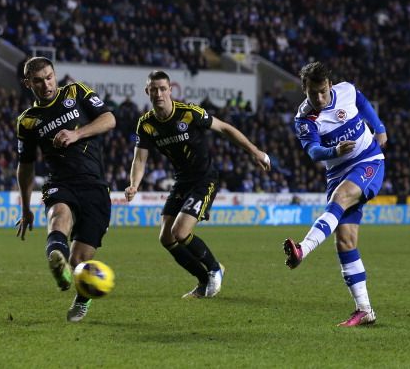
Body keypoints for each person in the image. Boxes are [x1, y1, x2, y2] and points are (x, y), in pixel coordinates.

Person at [125, 70, 271, 298]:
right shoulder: (146, 124)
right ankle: (203, 281)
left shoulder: (189, 113)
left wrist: (254, 152)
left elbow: (224, 128)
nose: (159, 93)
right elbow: (140, 158)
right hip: (181, 181)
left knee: (180, 232)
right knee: (166, 238)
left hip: (204, 178)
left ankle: (215, 269)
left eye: (163, 88)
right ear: (147, 92)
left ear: (170, 90)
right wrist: (134, 184)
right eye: (154, 89)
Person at [283, 62, 387, 327]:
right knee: (345, 242)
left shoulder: (347, 91)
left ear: (329, 84)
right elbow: (313, 152)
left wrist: (379, 126)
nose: (317, 98)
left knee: (339, 200)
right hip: (337, 172)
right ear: (304, 90)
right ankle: (364, 310)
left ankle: (303, 249)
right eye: (311, 94)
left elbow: (363, 103)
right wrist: (334, 151)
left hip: (368, 160)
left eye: (321, 91)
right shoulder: (304, 118)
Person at [15, 57, 116, 322]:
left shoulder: (77, 92)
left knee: (80, 260)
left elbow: (109, 119)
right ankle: (56, 261)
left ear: (54, 74)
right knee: (58, 215)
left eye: (49, 77)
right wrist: (26, 209)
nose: (46, 84)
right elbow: (25, 168)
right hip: (61, 182)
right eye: (38, 80)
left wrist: (76, 134)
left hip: (94, 185)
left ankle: (81, 297)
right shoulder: (28, 121)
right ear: (28, 83)